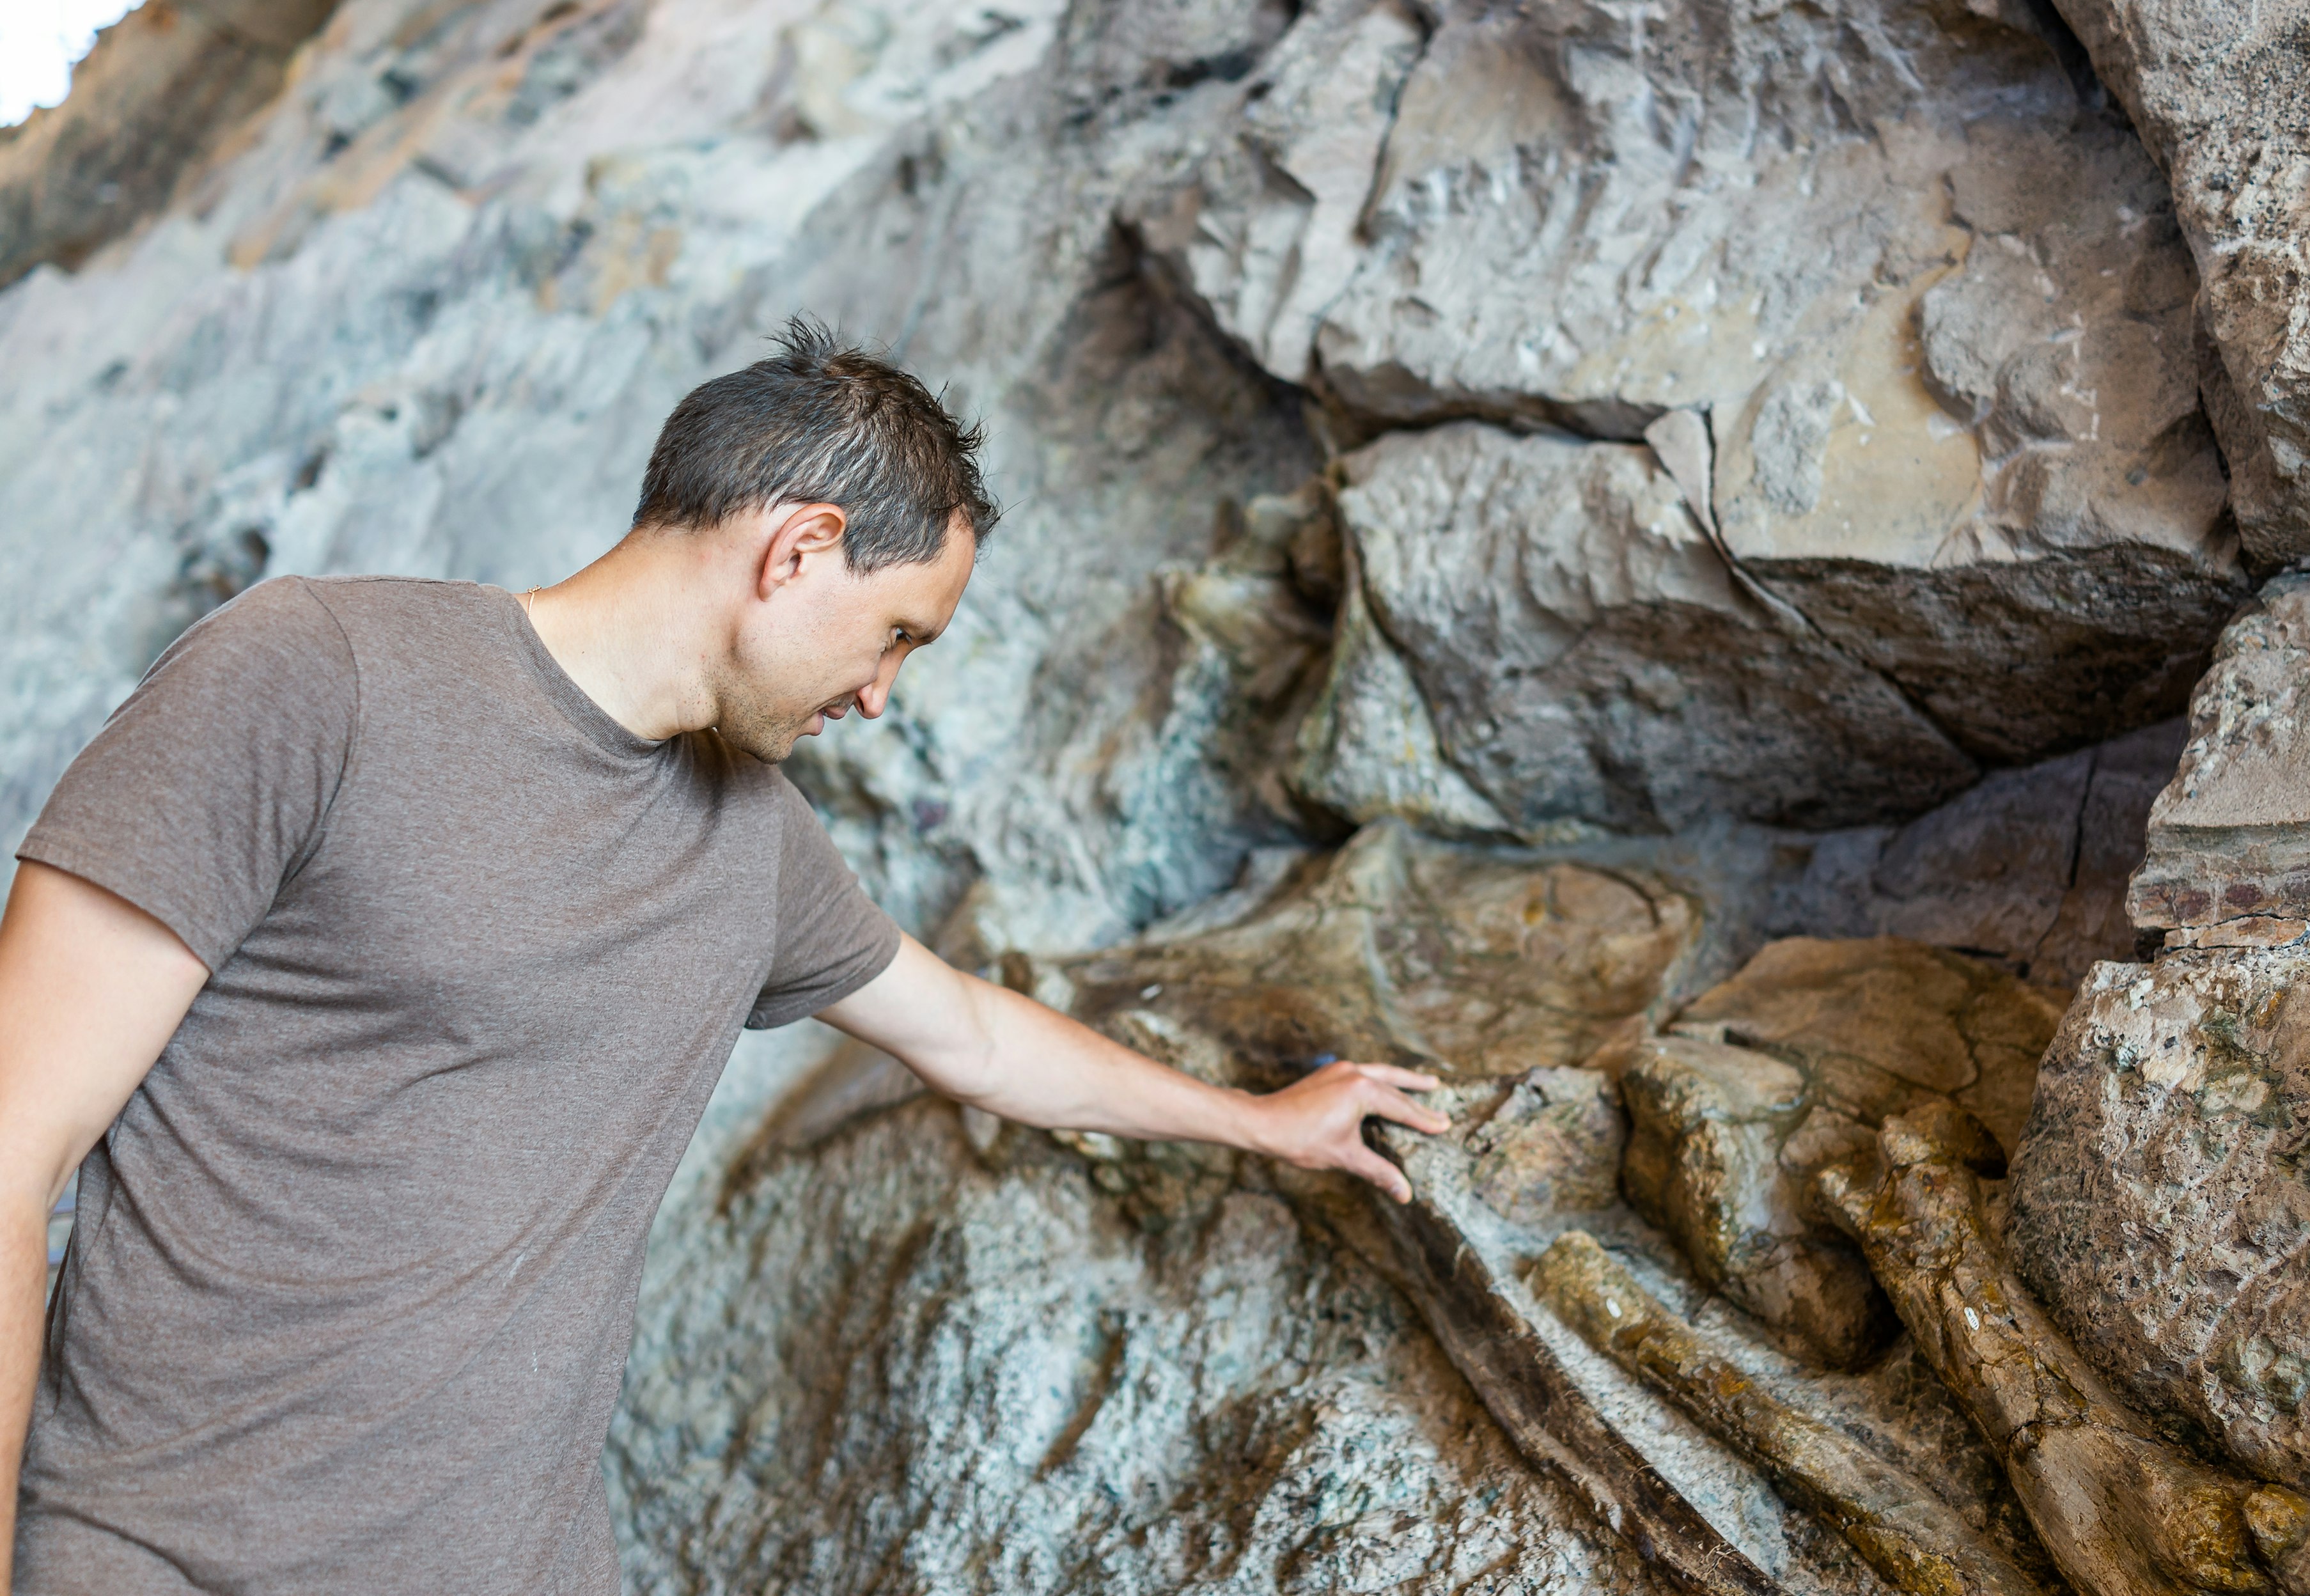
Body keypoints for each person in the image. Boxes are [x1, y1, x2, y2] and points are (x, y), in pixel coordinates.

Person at [0, 320, 1449, 1594]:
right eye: (896, 632)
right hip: (157, 1554)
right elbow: (13, 1146)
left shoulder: (754, 841)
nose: (882, 693)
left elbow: (976, 1038)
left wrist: (1262, 1121)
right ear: (799, 546)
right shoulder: (316, 673)